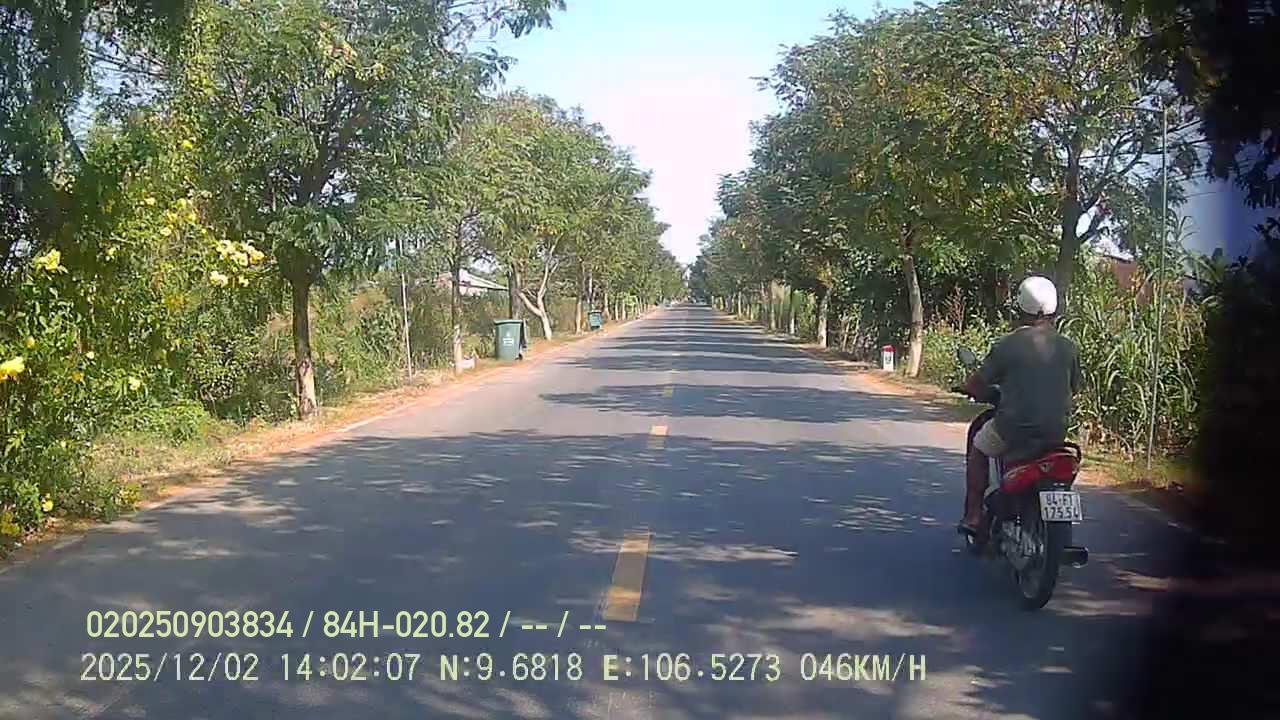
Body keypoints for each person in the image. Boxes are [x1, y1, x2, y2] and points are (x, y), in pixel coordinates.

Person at [957, 275, 1082, 535]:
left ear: (1020, 306)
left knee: (979, 448)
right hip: (1055, 433)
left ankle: (974, 514)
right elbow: (1075, 388)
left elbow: (979, 382)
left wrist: (969, 388)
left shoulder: (1008, 344)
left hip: (1013, 429)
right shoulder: (1069, 346)